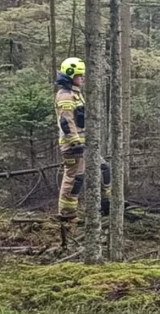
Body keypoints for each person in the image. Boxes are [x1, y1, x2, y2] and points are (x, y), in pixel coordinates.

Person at [54, 57, 110, 222]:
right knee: (74, 178)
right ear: (70, 75)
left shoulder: (75, 93)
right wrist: (75, 141)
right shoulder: (65, 96)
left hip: (85, 145)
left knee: (104, 169)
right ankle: (67, 213)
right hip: (73, 147)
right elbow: (66, 121)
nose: (83, 78)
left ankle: (107, 204)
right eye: (79, 75)